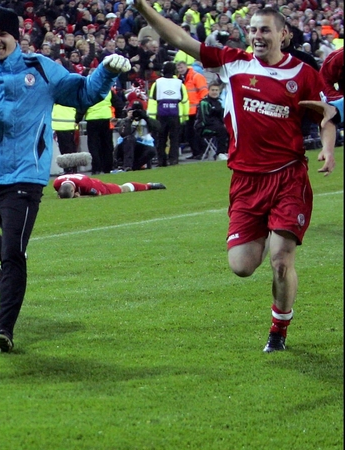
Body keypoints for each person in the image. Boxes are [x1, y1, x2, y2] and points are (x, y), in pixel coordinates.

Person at [132, 1, 338, 352]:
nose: (257, 36)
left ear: (283, 35)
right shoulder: (234, 62)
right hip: (245, 180)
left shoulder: (301, 74)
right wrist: (144, 9)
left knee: (281, 259)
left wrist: (329, 148)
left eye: (265, 30)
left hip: (288, 176)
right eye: (253, 30)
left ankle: (278, 331)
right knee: (242, 266)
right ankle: (270, 287)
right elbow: (181, 39)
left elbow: (327, 113)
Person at [0, 6, 131, 352]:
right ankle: (0, 262)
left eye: (2, 34)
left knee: (13, 253)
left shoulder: (41, 68)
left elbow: (83, 92)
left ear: (16, 37)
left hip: (24, 178)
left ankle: (5, 329)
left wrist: (105, 73)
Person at [147, 61, 188, 167]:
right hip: (175, 114)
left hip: (161, 114)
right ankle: (173, 159)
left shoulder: (157, 83)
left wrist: (151, 118)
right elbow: (184, 101)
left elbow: (152, 100)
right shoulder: (179, 83)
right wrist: (184, 117)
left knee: (161, 139)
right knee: (174, 139)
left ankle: (162, 160)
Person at [176, 60, 208, 160]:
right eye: (178, 68)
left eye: (181, 67)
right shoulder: (180, 78)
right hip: (187, 111)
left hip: (196, 109)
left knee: (195, 133)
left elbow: (203, 92)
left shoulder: (195, 76)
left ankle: (200, 152)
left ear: (186, 66)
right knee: (189, 133)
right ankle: (196, 152)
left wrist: (201, 106)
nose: (180, 70)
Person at [114, 101, 159, 171]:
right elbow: (123, 133)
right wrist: (129, 119)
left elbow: (158, 127)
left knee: (152, 150)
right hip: (126, 146)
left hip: (140, 146)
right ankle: (127, 166)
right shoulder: (126, 120)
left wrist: (146, 117)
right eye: (134, 111)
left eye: (139, 110)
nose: (137, 113)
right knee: (130, 139)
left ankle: (134, 166)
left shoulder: (146, 119)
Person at [53, 173, 165, 197]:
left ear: (73, 190)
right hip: (84, 180)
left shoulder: (85, 184)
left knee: (123, 189)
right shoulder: (56, 183)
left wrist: (81, 196)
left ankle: (149, 185)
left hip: (97, 185)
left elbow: (97, 194)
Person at [194, 81, 229, 160]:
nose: (214, 92)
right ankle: (220, 153)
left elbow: (221, 118)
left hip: (216, 126)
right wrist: (220, 125)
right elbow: (204, 119)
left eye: (216, 90)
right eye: (212, 90)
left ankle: (228, 151)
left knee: (229, 128)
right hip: (203, 127)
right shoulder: (204, 102)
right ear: (208, 91)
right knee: (222, 129)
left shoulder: (219, 103)